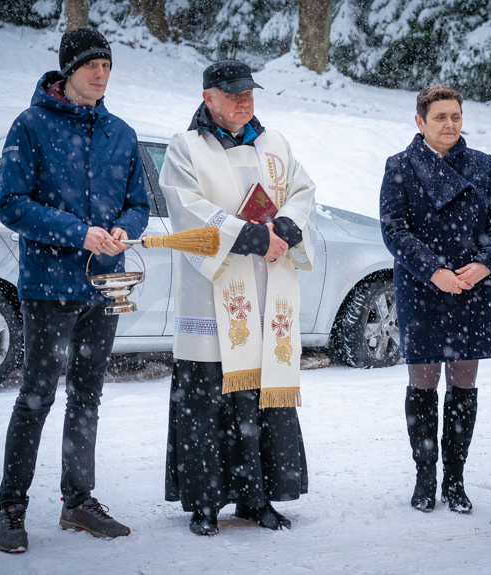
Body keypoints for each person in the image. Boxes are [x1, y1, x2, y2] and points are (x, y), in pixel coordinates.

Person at [0, 27, 149, 553]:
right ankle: (11, 506)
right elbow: (11, 203)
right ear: (67, 71)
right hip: (49, 287)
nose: (101, 74)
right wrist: (77, 232)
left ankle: (78, 501)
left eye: (107, 66)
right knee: (36, 395)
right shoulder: (31, 125)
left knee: (87, 395)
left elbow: (138, 204)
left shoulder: (121, 133)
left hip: (106, 284)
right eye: (90, 66)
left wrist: (125, 228)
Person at [159, 60, 316, 536]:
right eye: (233, 94)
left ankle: (257, 497)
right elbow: (187, 210)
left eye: (249, 92)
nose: (245, 101)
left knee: (261, 400)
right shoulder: (185, 148)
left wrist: (285, 228)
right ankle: (204, 502)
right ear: (209, 98)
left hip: (269, 291)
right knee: (207, 401)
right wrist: (248, 236)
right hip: (214, 296)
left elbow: (303, 191)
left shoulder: (275, 143)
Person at [380, 85, 491, 513]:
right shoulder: (399, 166)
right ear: (420, 122)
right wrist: (434, 271)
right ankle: (424, 478)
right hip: (423, 287)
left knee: (463, 382)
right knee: (423, 383)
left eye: (455, 116)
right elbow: (395, 229)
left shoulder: (482, 164)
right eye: (440, 117)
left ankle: (454, 480)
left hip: (472, 288)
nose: (450, 124)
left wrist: (485, 264)